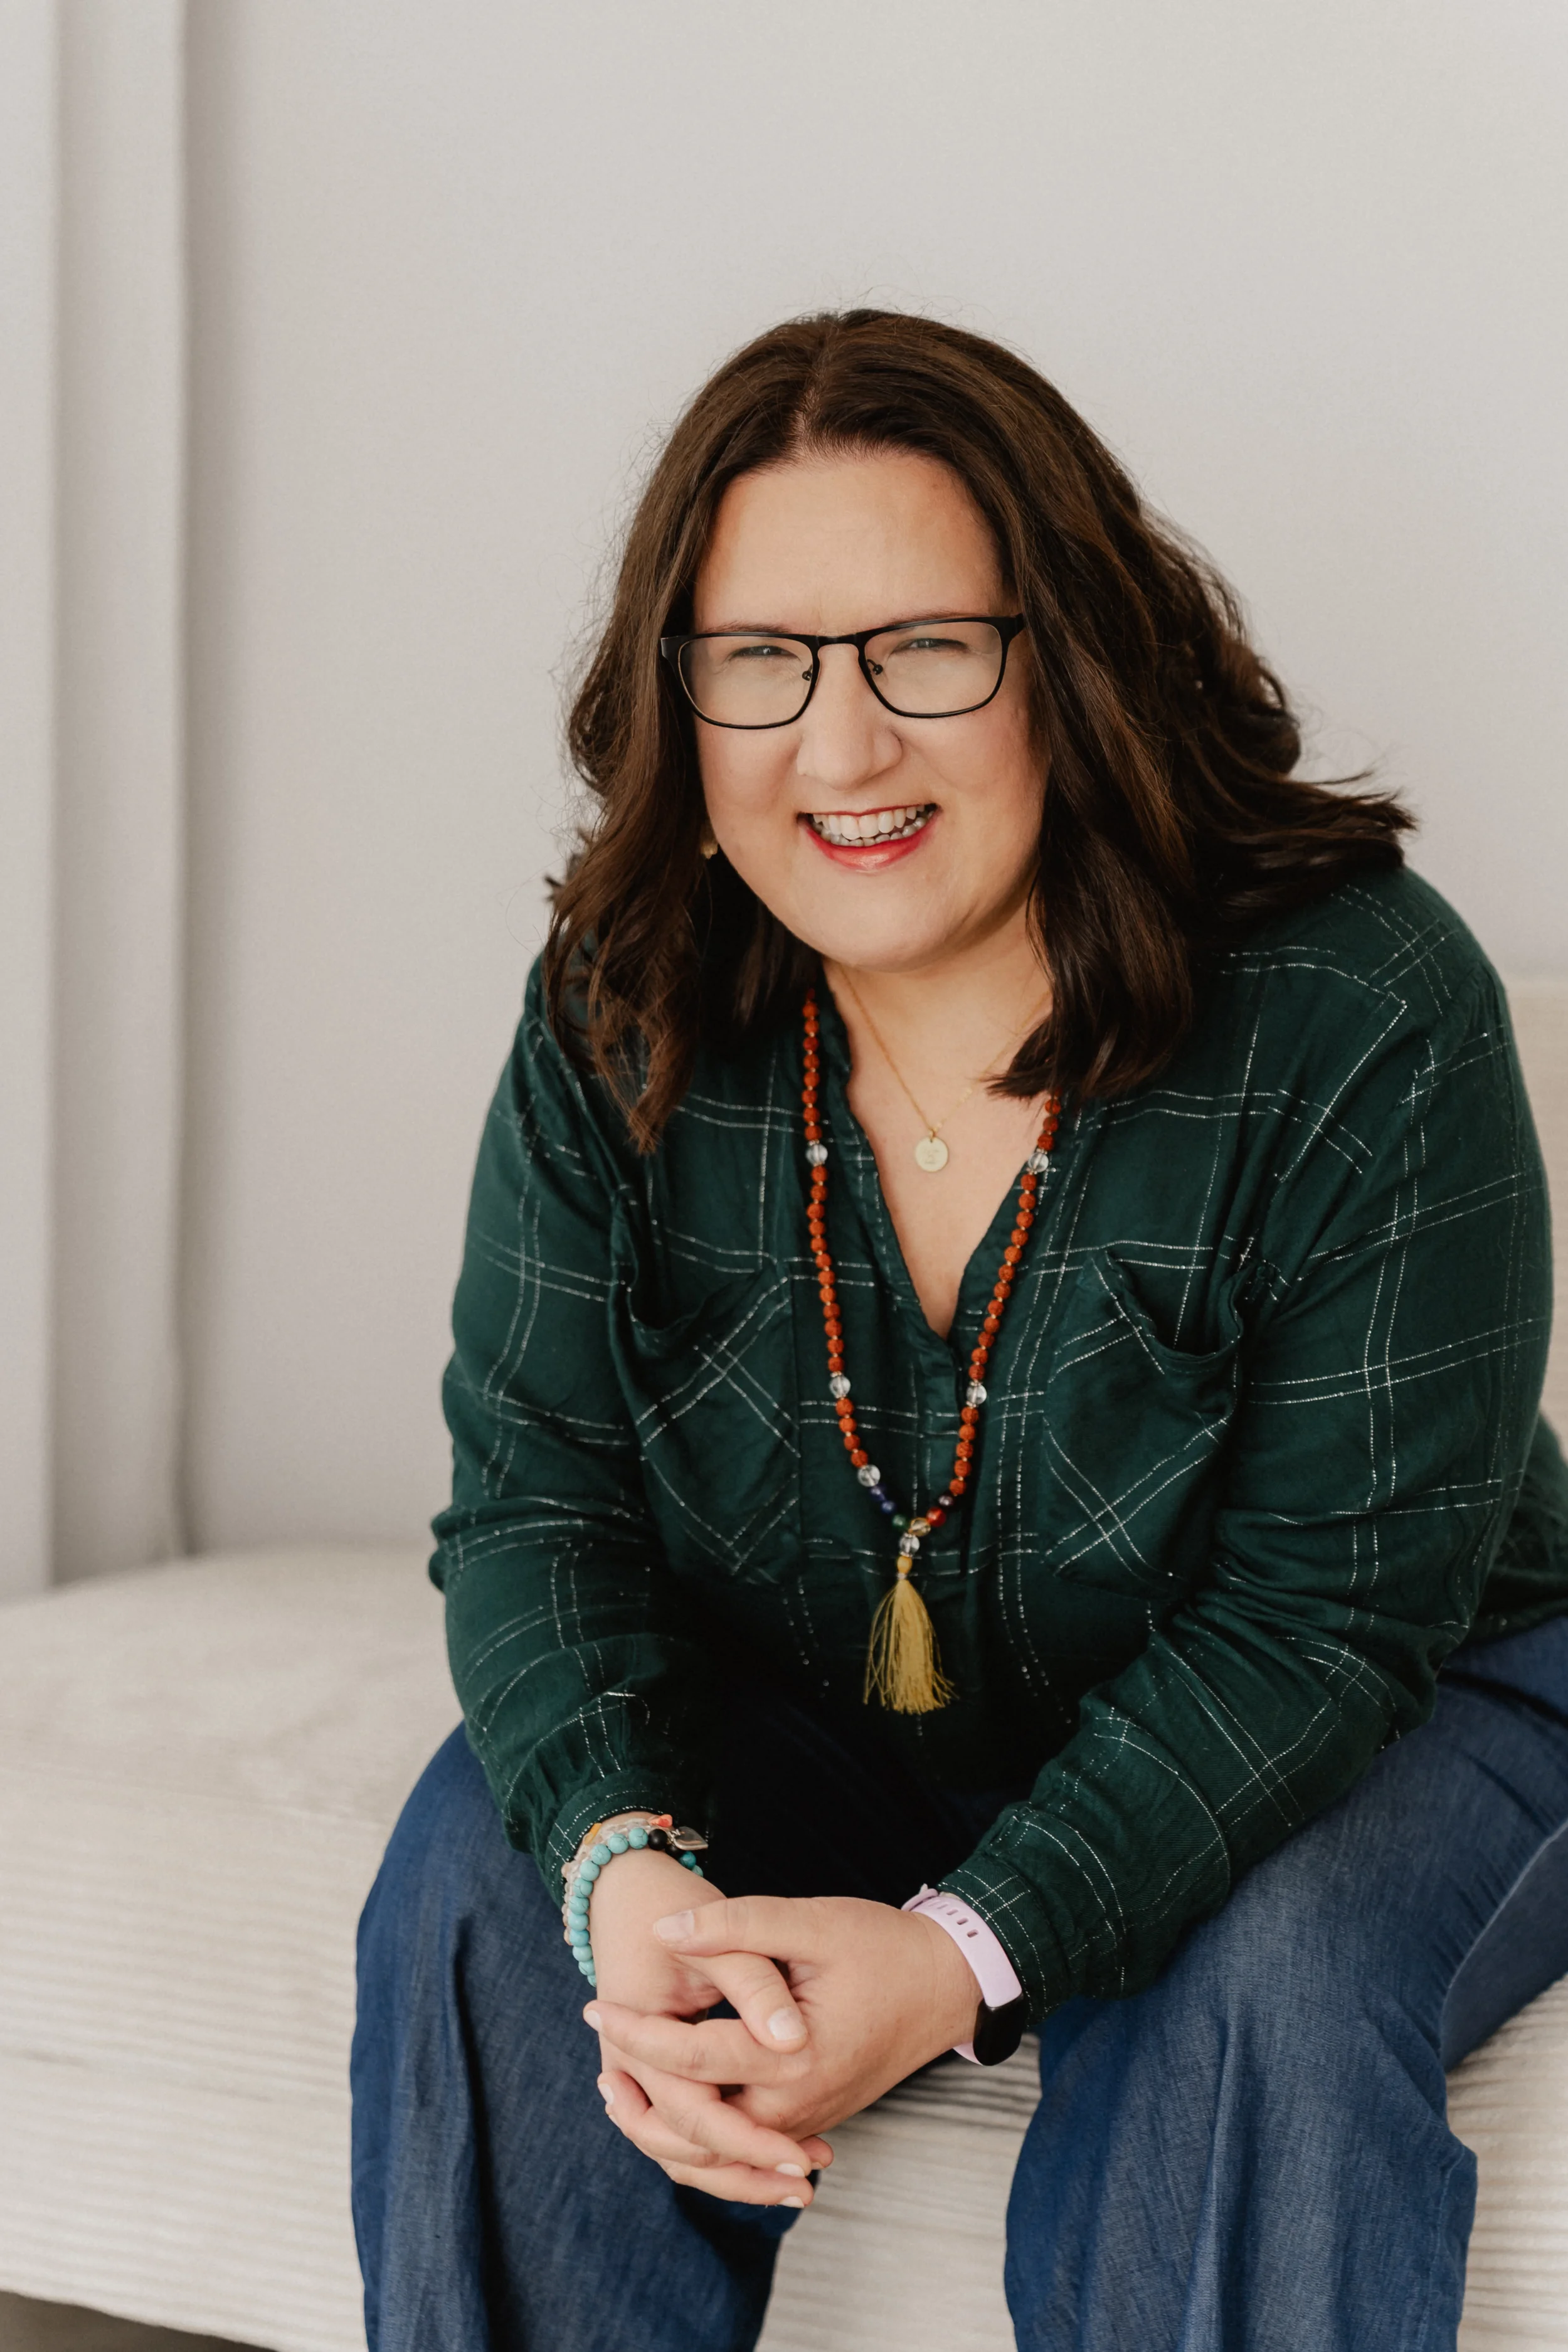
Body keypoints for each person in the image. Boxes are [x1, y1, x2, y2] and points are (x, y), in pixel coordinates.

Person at [349, 310, 1568, 2351]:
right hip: (841, 1709)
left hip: (1407, 1691)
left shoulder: (1363, 1004)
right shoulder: (621, 1000)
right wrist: (625, 1880)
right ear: (683, 698)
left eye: (926, 647)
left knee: (1255, 1971)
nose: (840, 749)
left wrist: (968, 1948)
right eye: (761, 662)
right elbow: (543, 1510)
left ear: (1069, 663)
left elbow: (1317, 1625)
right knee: (492, 1867)